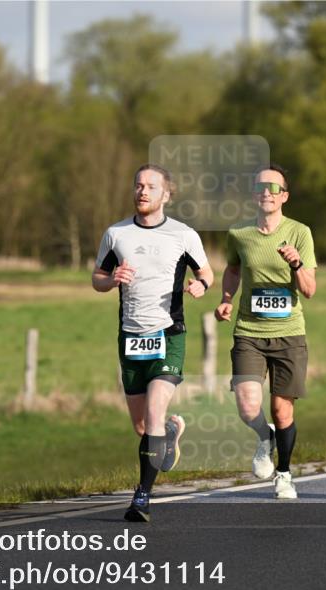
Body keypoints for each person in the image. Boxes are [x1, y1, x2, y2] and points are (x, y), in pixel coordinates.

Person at [93, 164, 213, 522]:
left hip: (168, 334)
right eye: (138, 185)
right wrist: (112, 278)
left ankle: (141, 498)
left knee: (154, 412)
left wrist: (201, 286)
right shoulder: (116, 234)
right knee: (143, 428)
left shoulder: (183, 235)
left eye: (150, 186)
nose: (142, 191)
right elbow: (97, 278)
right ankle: (172, 431)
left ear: (166, 194)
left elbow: (205, 272)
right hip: (130, 338)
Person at [214, 164, 317, 499]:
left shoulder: (300, 232)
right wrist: (227, 298)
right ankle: (265, 437)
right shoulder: (239, 233)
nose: (266, 193)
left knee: (282, 410)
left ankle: (284, 474)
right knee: (247, 406)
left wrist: (296, 263)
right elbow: (232, 269)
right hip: (249, 331)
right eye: (260, 187)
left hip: (289, 333)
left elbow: (310, 290)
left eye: (274, 188)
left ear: (284, 196)